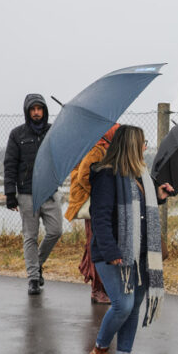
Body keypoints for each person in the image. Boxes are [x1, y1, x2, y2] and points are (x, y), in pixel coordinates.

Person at [87, 125, 173, 354]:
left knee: (134, 306)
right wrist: (112, 250)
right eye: (142, 142)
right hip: (111, 253)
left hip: (140, 254)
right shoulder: (106, 175)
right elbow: (100, 217)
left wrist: (157, 196)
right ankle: (99, 351)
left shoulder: (141, 176)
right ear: (131, 145)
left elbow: (140, 212)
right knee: (122, 305)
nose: (146, 147)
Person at [3, 94, 63, 295]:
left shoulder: (54, 131)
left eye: (40, 109)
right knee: (30, 235)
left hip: (50, 192)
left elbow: (63, 157)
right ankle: (33, 279)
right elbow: (10, 165)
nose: (36, 112)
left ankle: (37, 264)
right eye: (33, 109)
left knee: (56, 231)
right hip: (27, 193)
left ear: (44, 111)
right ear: (27, 111)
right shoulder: (17, 134)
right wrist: (10, 193)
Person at [64, 124, 119, 305]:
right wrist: (99, 192)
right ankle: (97, 289)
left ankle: (100, 287)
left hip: (98, 204)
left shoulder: (105, 149)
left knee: (94, 244)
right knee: (95, 246)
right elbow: (82, 176)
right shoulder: (96, 150)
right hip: (93, 204)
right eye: (115, 133)